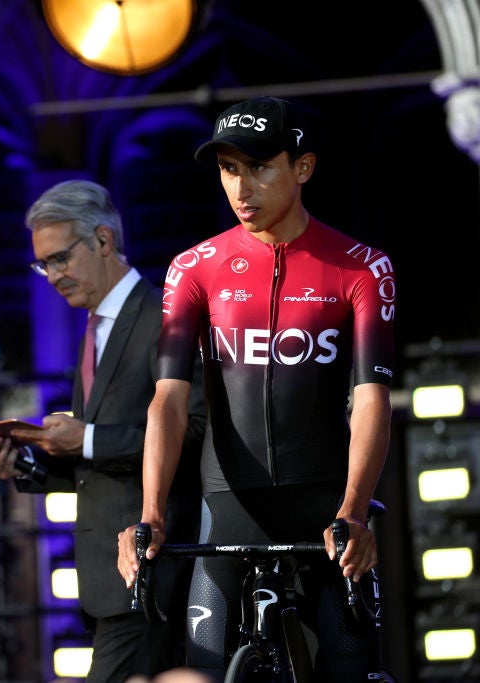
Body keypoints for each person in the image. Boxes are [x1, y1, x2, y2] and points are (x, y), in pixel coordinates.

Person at [116, 97, 396, 681]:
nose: (241, 188)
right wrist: (150, 514)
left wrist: (353, 510)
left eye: (261, 167)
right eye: (229, 169)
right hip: (229, 504)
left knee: (350, 668)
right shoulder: (194, 268)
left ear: (304, 167)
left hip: (327, 503)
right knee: (203, 670)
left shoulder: (362, 268)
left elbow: (371, 396)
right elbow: (168, 399)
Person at [0, 180, 207, 682]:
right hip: (110, 579)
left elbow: (194, 436)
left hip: (152, 565)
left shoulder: (162, 316)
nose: (52, 276)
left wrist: (87, 438)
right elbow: (95, 468)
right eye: (43, 265)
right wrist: (26, 464)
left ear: (103, 240)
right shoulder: (95, 327)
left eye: (60, 258)